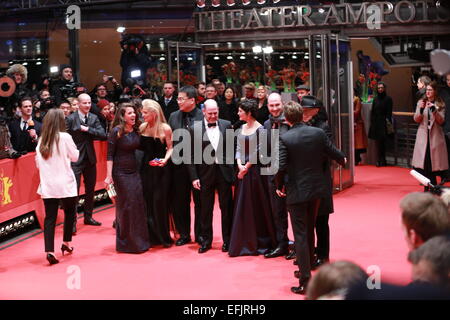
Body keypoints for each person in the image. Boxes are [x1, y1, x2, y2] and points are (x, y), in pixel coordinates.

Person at [275, 101, 346, 294]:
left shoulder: (286, 137)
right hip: (316, 190)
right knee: (309, 230)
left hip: (297, 191)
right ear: (301, 115)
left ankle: (306, 280)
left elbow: (280, 166)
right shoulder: (318, 133)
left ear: (287, 119)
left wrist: (278, 186)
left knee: (300, 234)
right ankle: (307, 269)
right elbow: (333, 152)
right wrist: (343, 159)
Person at [228, 99, 277, 257]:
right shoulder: (241, 127)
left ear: (248, 113)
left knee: (256, 206)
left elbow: (258, 151)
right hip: (242, 171)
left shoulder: (261, 129)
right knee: (242, 205)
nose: (238, 113)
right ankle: (243, 241)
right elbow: (237, 148)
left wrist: (246, 167)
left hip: (255, 173)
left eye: (240, 111)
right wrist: (239, 164)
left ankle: (260, 241)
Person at [188, 99, 235, 254]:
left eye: (216, 113)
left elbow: (232, 150)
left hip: (224, 173)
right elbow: (190, 156)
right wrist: (194, 177)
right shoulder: (194, 128)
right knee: (205, 209)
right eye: (210, 113)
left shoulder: (227, 124)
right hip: (204, 174)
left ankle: (228, 241)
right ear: (203, 112)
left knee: (226, 208)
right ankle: (206, 241)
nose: (214, 116)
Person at [35, 108, 79, 265]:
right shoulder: (65, 137)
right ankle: (66, 243)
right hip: (65, 183)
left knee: (50, 218)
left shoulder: (41, 140)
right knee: (70, 213)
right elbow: (75, 157)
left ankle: (49, 251)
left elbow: (38, 164)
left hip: (48, 184)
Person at [105, 103, 150, 253]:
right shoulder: (116, 132)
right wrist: (108, 175)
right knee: (127, 206)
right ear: (122, 116)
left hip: (134, 172)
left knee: (137, 205)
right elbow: (109, 155)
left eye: (134, 113)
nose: (133, 115)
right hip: (120, 174)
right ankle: (126, 243)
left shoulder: (137, 130)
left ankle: (140, 242)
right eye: (129, 113)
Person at [300, 96, 336, 270]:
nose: (303, 113)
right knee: (306, 220)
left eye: (306, 110)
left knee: (321, 220)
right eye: (302, 110)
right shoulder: (300, 125)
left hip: (320, 179)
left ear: (315, 110)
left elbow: (327, 153)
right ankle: (310, 252)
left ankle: (323, 254)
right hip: (304, 179)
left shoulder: (323, 128)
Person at [66, 93, 106, 234]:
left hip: (90, 159)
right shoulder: (70, 119)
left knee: (91, 190)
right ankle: (72, 223)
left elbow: (103, 134)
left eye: (89, 103)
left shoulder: (94, 118)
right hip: (75, 159)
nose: (88, 105)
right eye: (85, 103)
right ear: (78, 103)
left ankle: (88, 217)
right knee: (74, 192)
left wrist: (87, 129)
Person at [168, 85, 203, 246]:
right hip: (179, 165)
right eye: (178, 98)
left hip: (199, 165)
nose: (178, 101)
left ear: (192, 100)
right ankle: (183, 233)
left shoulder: (203, 116)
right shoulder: (173, 116)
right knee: (180, 201)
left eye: (181, 98)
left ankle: (201, 234)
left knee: (200, 201)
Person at [140, 99, 174, 248]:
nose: (142, 114)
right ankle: (151, 236)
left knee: (159, 202)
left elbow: (171, 147)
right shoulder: (142, 127)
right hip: (145, 169)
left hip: (161, 169)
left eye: (145, 112)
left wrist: (165, 160)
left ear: (154, 113)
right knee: (147, 202)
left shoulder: (165, 128)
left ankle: (163, 236)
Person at [263, 93, 290, 259]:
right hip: (271, 174)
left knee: (295, 213)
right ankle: (282, 244)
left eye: (277, 105)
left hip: (289, 175)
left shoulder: (290, 122)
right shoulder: (266, 124)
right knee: (277, 212)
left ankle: (301, 246)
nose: (274, 108)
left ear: (283, 104)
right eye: (271, 105)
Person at [411, 81, 448, 188]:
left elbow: (441, 121)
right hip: (423, 137)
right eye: (427, 90)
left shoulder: (440, 104)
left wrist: (434, 110)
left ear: (435, 91)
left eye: (430, 90)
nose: (428, 92)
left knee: (433, 164)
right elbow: (416, 119)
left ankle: (433, 186)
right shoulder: (420, 102)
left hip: (435, 137)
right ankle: (427, 187)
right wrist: (421, 110)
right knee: (425, 164)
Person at [368, 82, 393, 167]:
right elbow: (373, 112)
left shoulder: (388, 99)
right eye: (379, 88)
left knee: (383, 143)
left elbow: (389, 113)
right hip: (376, 123)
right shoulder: (375, 99)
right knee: (378, 144)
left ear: (384, 88)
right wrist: (372, 122)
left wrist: (387, 122)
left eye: (381, 88)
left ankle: (383, 160)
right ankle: (379, 160)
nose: (380, 89)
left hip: (384, 123)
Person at [354, 88, 367, 165]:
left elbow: (357, 111)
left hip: (357, 122)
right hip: (350, 122)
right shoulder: (347, 99)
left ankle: (357, 159)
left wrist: (349, 113)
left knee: (357, 143)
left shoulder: (357, 99)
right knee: (353, 142)